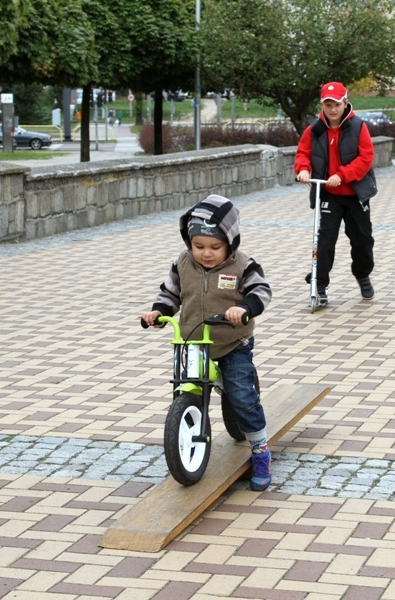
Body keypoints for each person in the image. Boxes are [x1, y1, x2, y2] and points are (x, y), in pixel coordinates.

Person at [141, 195, 274, 490]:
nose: (206, 253)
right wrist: (158, 312)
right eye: (198, 246)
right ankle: (183, 438)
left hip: (232, 343)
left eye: (215, 247)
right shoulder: (183, 263)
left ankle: (261, 450)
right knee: (183, 386)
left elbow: (261, 291)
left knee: (242, 396)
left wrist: (246, 309)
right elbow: (170, 294)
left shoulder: (243, 265)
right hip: (193, 341)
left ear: (231, 241)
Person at [294, 81, 378, 306]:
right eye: (328, 104)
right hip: (329, 194)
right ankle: (319, 285)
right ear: (322, 105)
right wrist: (302, 169)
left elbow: (365, 158)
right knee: (324, 240)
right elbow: (303, 152)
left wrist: (342, 175)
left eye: (337, 104)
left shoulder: (358, 127)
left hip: (354, 193)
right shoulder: (315, 129)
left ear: (345, 103)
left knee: (362, 241)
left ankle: (362, 275)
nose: (332, 109)